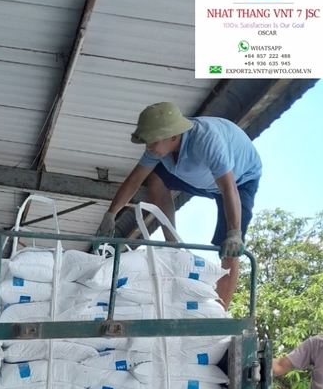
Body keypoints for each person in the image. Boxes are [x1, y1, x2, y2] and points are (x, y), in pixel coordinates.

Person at [97, 101, 262, 308]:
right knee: (154, 178)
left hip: (238, 181)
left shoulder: (208, 141)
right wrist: (111, 214)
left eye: (152, 142)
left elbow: (229, 188)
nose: (149, 148)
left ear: (173, 137)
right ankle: (172, 244)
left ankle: (220, 311)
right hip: (200, 178)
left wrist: (234, 233)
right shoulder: (159, 147)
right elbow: (135, 179)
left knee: (230, 247)